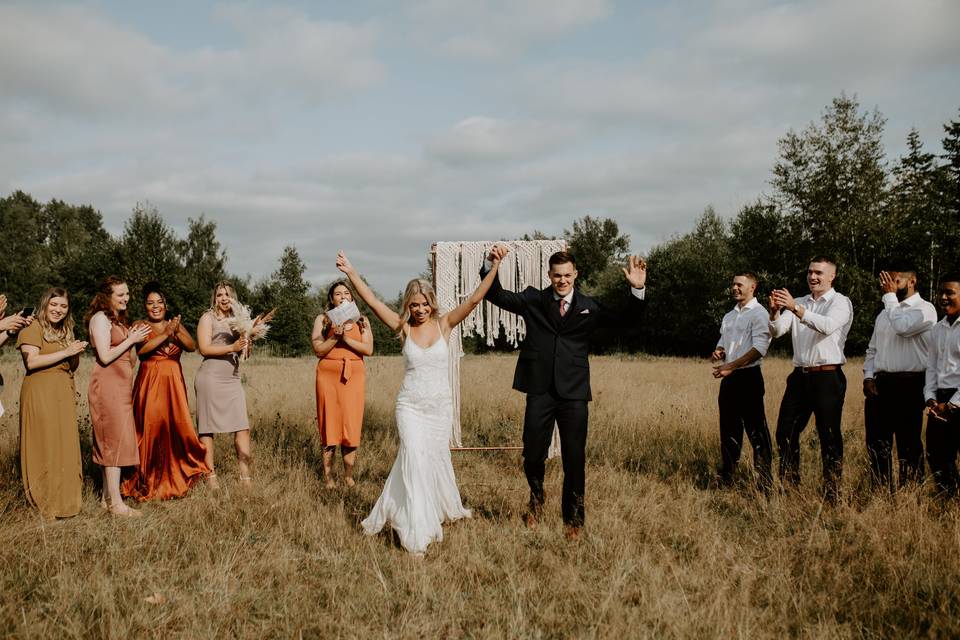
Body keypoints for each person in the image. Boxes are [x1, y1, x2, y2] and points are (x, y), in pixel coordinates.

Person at [336, 249, 502, 555]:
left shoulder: (446, 324)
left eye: (425, 303)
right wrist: (352, 273)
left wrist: (494, 267)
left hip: (439, 407)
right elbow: (372, 302)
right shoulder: (403, 327)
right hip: (410, 406)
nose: (420, 309)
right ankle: (416, 531)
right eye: (415, 304)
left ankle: (429, 510)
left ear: (432, 303)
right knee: (413, 457)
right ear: (408, 306)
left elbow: (476, 299)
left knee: (432, 460)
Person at [481, 247, 647, 540]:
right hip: (539, 389)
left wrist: (637, 289)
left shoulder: (589, 306)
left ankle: (573, 520)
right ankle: (536, 498)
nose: (562, 280)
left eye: (567, 275)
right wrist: (489, 264)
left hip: (574, 393)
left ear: (575, 275)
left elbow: (626, 322)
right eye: (557, 275)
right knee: (532, 453)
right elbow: (496, 295)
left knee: (574, 457)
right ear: (549, 275)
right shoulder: (534, 299)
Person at [769, 256, 853, 501]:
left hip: (827, 377)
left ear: (832, 276)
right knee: (785, 431)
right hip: (799, 377)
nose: (812, 277)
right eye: (809, 272)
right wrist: (774, 313)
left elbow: (827, 326)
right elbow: (778, 331)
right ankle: (790, 486)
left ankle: (832, 491)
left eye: (818, 273)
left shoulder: (840, 302)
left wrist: (795, 308)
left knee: (828, 434)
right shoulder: (801, 301)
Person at [121, 283, 211, 501]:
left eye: (159, 302)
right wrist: (166, 335)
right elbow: (142, 351)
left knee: (175, 428)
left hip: (174, 384)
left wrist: (176, 329)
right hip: (151, 382)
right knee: (152, 428)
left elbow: (191, 347)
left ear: (165, 304)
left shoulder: (174, 324)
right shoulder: (140, 325)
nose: (155, 307)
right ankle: (147, 480)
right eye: (151, 303)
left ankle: (175, 476)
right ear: (145, 306)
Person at [862, 269, 936, 490]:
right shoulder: (884, 312)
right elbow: (872, 349)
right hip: (882, 383)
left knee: (908, 442)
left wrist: (889, 297)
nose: (888, 285)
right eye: (885, 280)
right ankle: (881, 491)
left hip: (911, 383)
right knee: (876, 442)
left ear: (912, 281)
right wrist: (868, 376)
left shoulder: (925, 309)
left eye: (895, 280)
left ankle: (911, 493)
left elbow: (902, 327)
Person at [195, 281, 271, 488]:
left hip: (232, 379)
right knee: (207, 428)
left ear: (233, 297)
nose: (224, 298)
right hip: (210, 378)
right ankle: (210, 476)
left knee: (242, 426)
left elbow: (244, 353)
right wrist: (232, 346)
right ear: (215, 298)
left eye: (227, 294)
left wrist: (247, 342)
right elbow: (204, 348)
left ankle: (245, 477)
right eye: (220, 294)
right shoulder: (207, 318)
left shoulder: (240, 321)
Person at [17, 288, 85, 518]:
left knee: (63, 444)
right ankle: (43, 503)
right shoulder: (32, 326)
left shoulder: (65, 329)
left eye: (63, 306)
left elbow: (71, 366)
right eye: (54, 305)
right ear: (45, 305)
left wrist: (74, 353)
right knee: (44, 443)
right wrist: (67, 351)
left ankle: (66, 502)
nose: (58, 310)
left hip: (63, 393)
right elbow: (32, 362)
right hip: (40, 393)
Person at [87, 276, 151, 517]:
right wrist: (131, 339)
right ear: (107, 296)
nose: (126, 298)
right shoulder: (100, 319)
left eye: (127, 294)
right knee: (112, 441)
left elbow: (130, 361)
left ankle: (106, 499)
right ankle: (117, 504)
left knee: (116, 439)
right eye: (120, 294)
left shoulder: (119, 321)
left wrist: (133, 340)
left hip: (122, 386)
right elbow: (104, 356)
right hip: (106, 386)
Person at [711, 271, 772, 490]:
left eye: (739, 284)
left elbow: (759, 349)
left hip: (749, 378)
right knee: (728, 429)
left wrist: (731, 365)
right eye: (733, 284)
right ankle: (727, 477)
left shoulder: (759, 313)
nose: (734, 288)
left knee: (757, 430)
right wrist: (718, 352)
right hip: (729, 379)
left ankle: (764, 483)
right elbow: (723, 342)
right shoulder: (729, 315)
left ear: (752, 287)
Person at [311, 280, 373, 488]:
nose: (343, 296)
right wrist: (334, 338)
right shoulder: (323, 319)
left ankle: (348, 475)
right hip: (328, 377)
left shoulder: (362, 320)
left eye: (347, 293)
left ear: (352, 297)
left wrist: (345, 338)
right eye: (338, 294)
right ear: (331, 298)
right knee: (329, 424)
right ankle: (328, 477)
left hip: (354, 377)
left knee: (351, 423)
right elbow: (318, 349)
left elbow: (368, 349)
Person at [924, 273, 960, 497]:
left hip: (958, 400)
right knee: (937, 455)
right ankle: (948, 502)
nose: (944, 297)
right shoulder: (937, 329)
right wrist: (930, 397)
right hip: (939, 402)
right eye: (941, 292)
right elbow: (931, 367)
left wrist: (953, 405)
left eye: (950, 293)